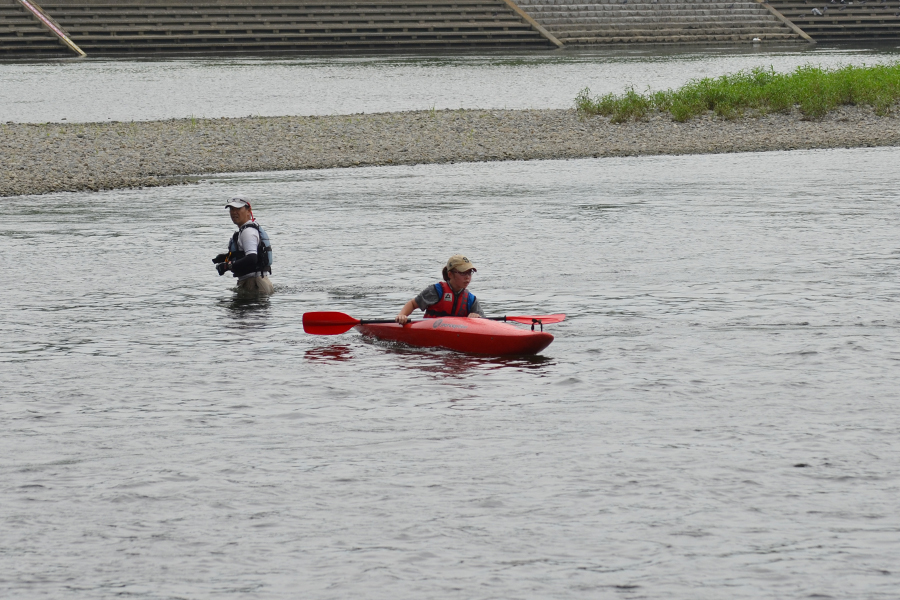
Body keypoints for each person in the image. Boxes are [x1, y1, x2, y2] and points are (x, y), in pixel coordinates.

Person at [395, 255, 485, 324]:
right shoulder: (436, 291)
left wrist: (477, 317)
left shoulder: (471, 300)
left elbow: (485, 322)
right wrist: (402, 315)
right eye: (463, 273)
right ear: (450, 274)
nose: (467, 277)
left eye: (469, 273)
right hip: (430, 331)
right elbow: (413, 304)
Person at [212, 197, 274, 296]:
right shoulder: (249, 228)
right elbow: (247, 254)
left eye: (238, 209)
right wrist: (225, 257)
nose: (234, 212)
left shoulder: (248, 232)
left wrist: (227, 266)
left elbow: (252, 258)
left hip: (254, 284)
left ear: (248, 210)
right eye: (231, 209)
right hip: (257, 282)